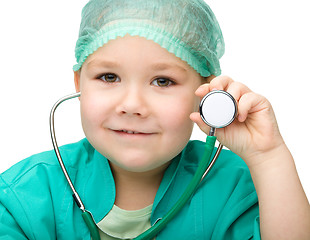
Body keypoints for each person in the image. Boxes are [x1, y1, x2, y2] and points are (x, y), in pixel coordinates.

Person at [0, 0, 309, 239]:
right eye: (109, 76)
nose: (132, 105)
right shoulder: (23, 195)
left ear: (206, 92)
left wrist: (268, 158)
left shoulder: (237, 188)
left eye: (163, 81)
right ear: (79, 83)